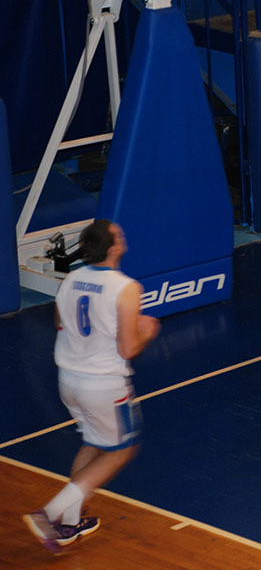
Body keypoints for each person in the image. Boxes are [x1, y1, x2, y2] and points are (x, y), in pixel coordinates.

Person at [23, 219, 160, 553]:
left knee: (93, 443)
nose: (123, 237)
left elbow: (60, 323)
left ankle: (69, 524)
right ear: (113, 248)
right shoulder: (125, 288)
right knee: (120, 450)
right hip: (103, 385)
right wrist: (147, 331)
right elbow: (128, 349)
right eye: (119, 235)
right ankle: (50, 514)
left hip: (68, 380)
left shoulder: (71, 279)